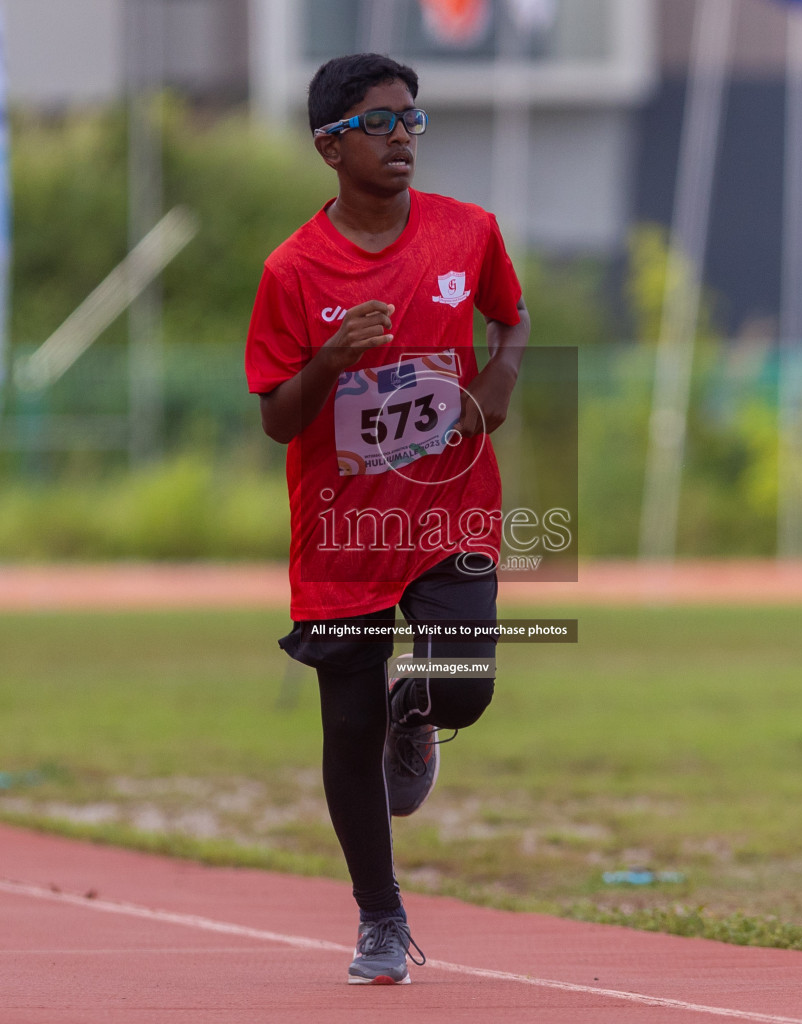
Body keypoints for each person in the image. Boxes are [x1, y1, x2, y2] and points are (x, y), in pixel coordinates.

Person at [245, 53, 529, 985]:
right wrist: (328, 362)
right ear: (330, 145)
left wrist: (494, 390)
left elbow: (510, 320)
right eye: (380, 122)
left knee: (466, 688)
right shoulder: (292, 270)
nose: (403, 135)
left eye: (413, 118)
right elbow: (279, 419)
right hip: (343, 529)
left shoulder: (468, 233)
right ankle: (378, 914)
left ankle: (422, 710)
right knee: (344, 722)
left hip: (451, 510)